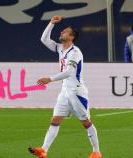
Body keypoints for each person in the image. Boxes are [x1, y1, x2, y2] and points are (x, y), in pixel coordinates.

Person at [28, 15, 102, 158]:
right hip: (65, 91)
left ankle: (96, 152)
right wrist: (51, 23)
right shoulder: (61, 48)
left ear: (72, 37)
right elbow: (44, 39)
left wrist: (49, 79)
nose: (61, 32)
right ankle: (43, 150)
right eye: (61, 31)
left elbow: (69, 72)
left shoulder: (75, 52)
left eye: (65, 31)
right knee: (55, 120)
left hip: (76, 92)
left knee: (86, 122)